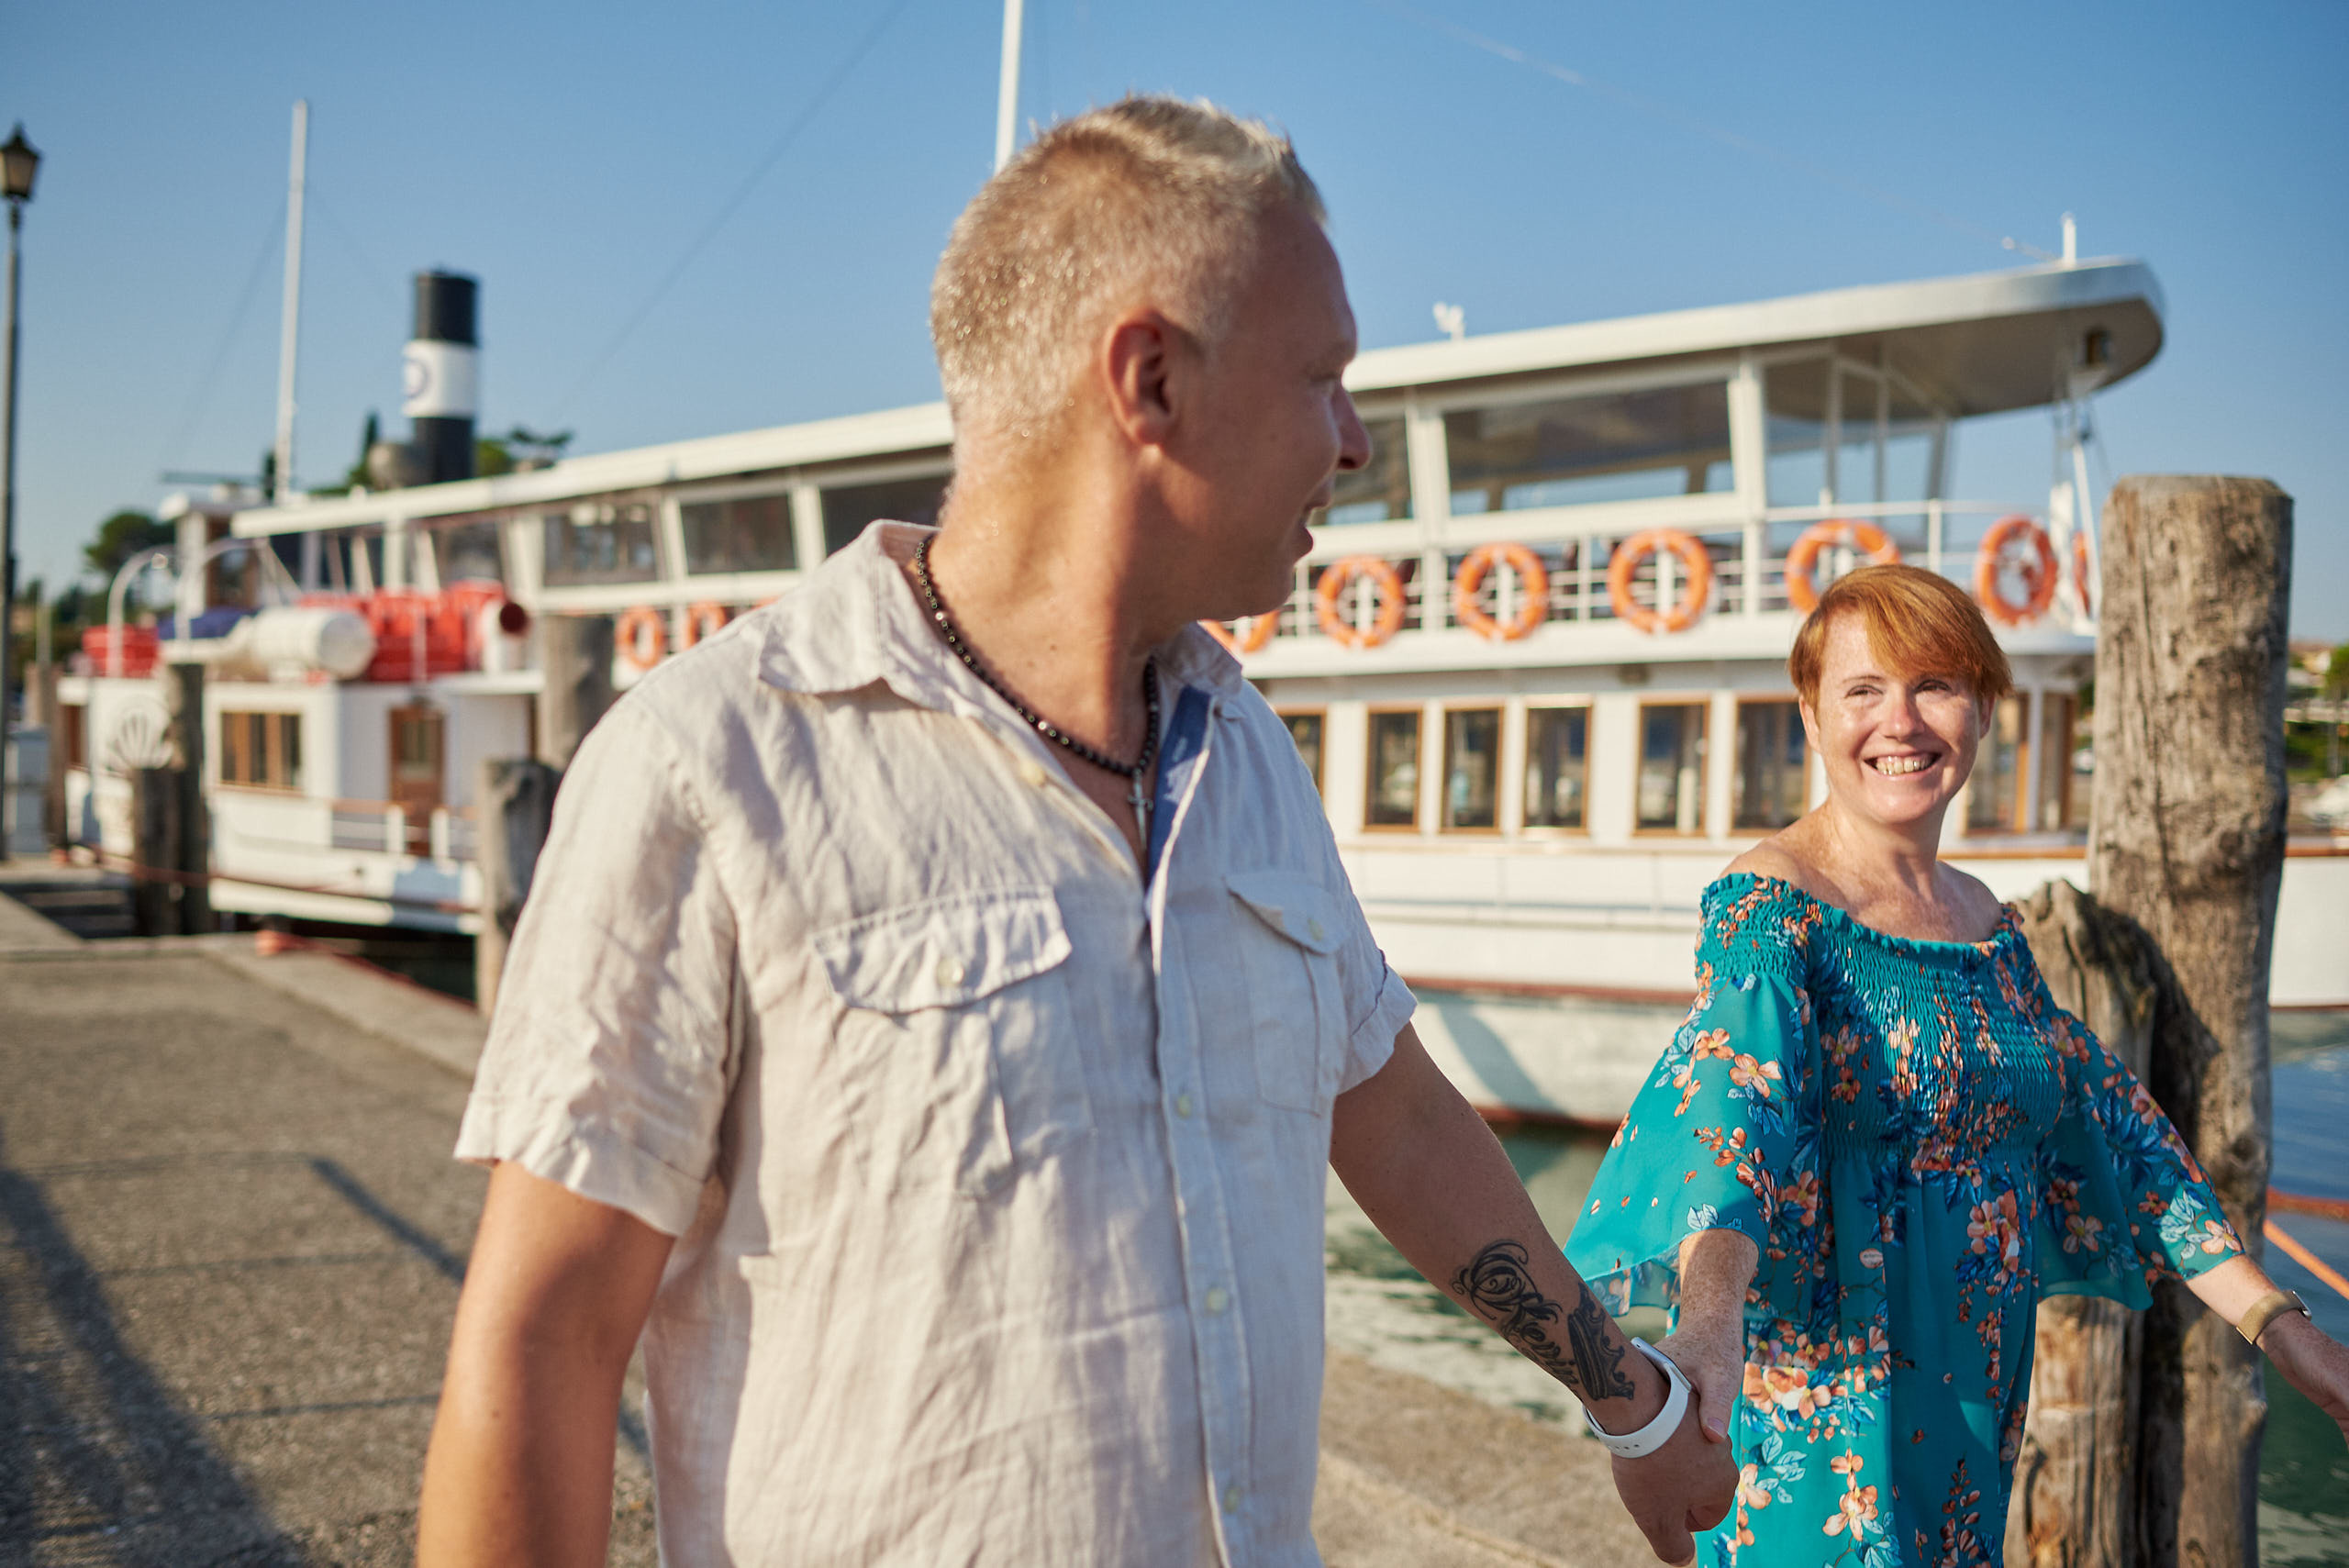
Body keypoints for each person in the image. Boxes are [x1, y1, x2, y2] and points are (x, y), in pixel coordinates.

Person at [416, 98, 1733, 1567]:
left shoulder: (1242, 753)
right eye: (1326, 379)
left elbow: (1396, 1111)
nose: (1355, 442)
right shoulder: (715, 763)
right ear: (1151, 378)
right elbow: (541, 1345)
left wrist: (1630, 1395)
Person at [1566, 563, 2349, 1563]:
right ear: (1811, 716)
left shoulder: (1989, 928)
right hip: (1824, 1404)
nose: (1900, 719)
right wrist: (1710, 1319)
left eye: (1934, 684)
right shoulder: (1772, 903)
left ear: (1981, 710)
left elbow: (2116, 1125)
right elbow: (1734, 1110)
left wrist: (2282, 1329)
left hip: (1974, 1403)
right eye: (1861, 690)